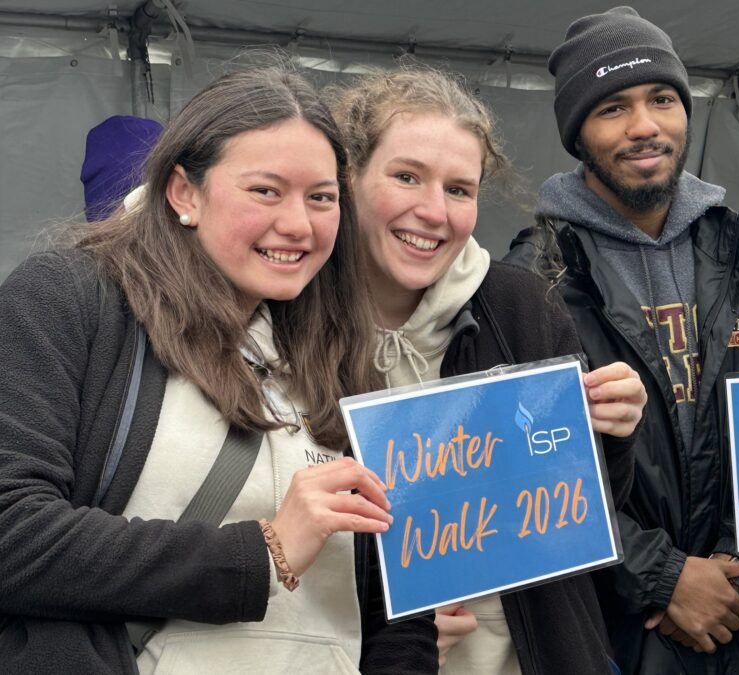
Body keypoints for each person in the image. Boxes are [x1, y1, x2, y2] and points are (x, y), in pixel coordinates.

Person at [0, 66, 437, 674]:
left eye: (321, 197)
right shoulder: (73, 299)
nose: (298, 224)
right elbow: (12, 532)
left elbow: (398, 605)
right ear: (184, 193)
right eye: (265, 190)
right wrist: (265, 552)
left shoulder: (340, 352)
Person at [504, 6, 739, 673]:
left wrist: (727, 573)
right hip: (610, 629)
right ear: (577, 132)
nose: (645, 126)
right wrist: (665, 577)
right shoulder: (535, 278)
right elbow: (527, 480)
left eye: (662, 99)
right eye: (613, 107)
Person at [330, 65, 647, 675]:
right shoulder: (296, 322)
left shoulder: (521, 307)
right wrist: (388, 631)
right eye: (406, 177)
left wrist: (611, 435)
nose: (433, 211)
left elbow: (587, 510)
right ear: (350, 176)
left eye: (459, 189)